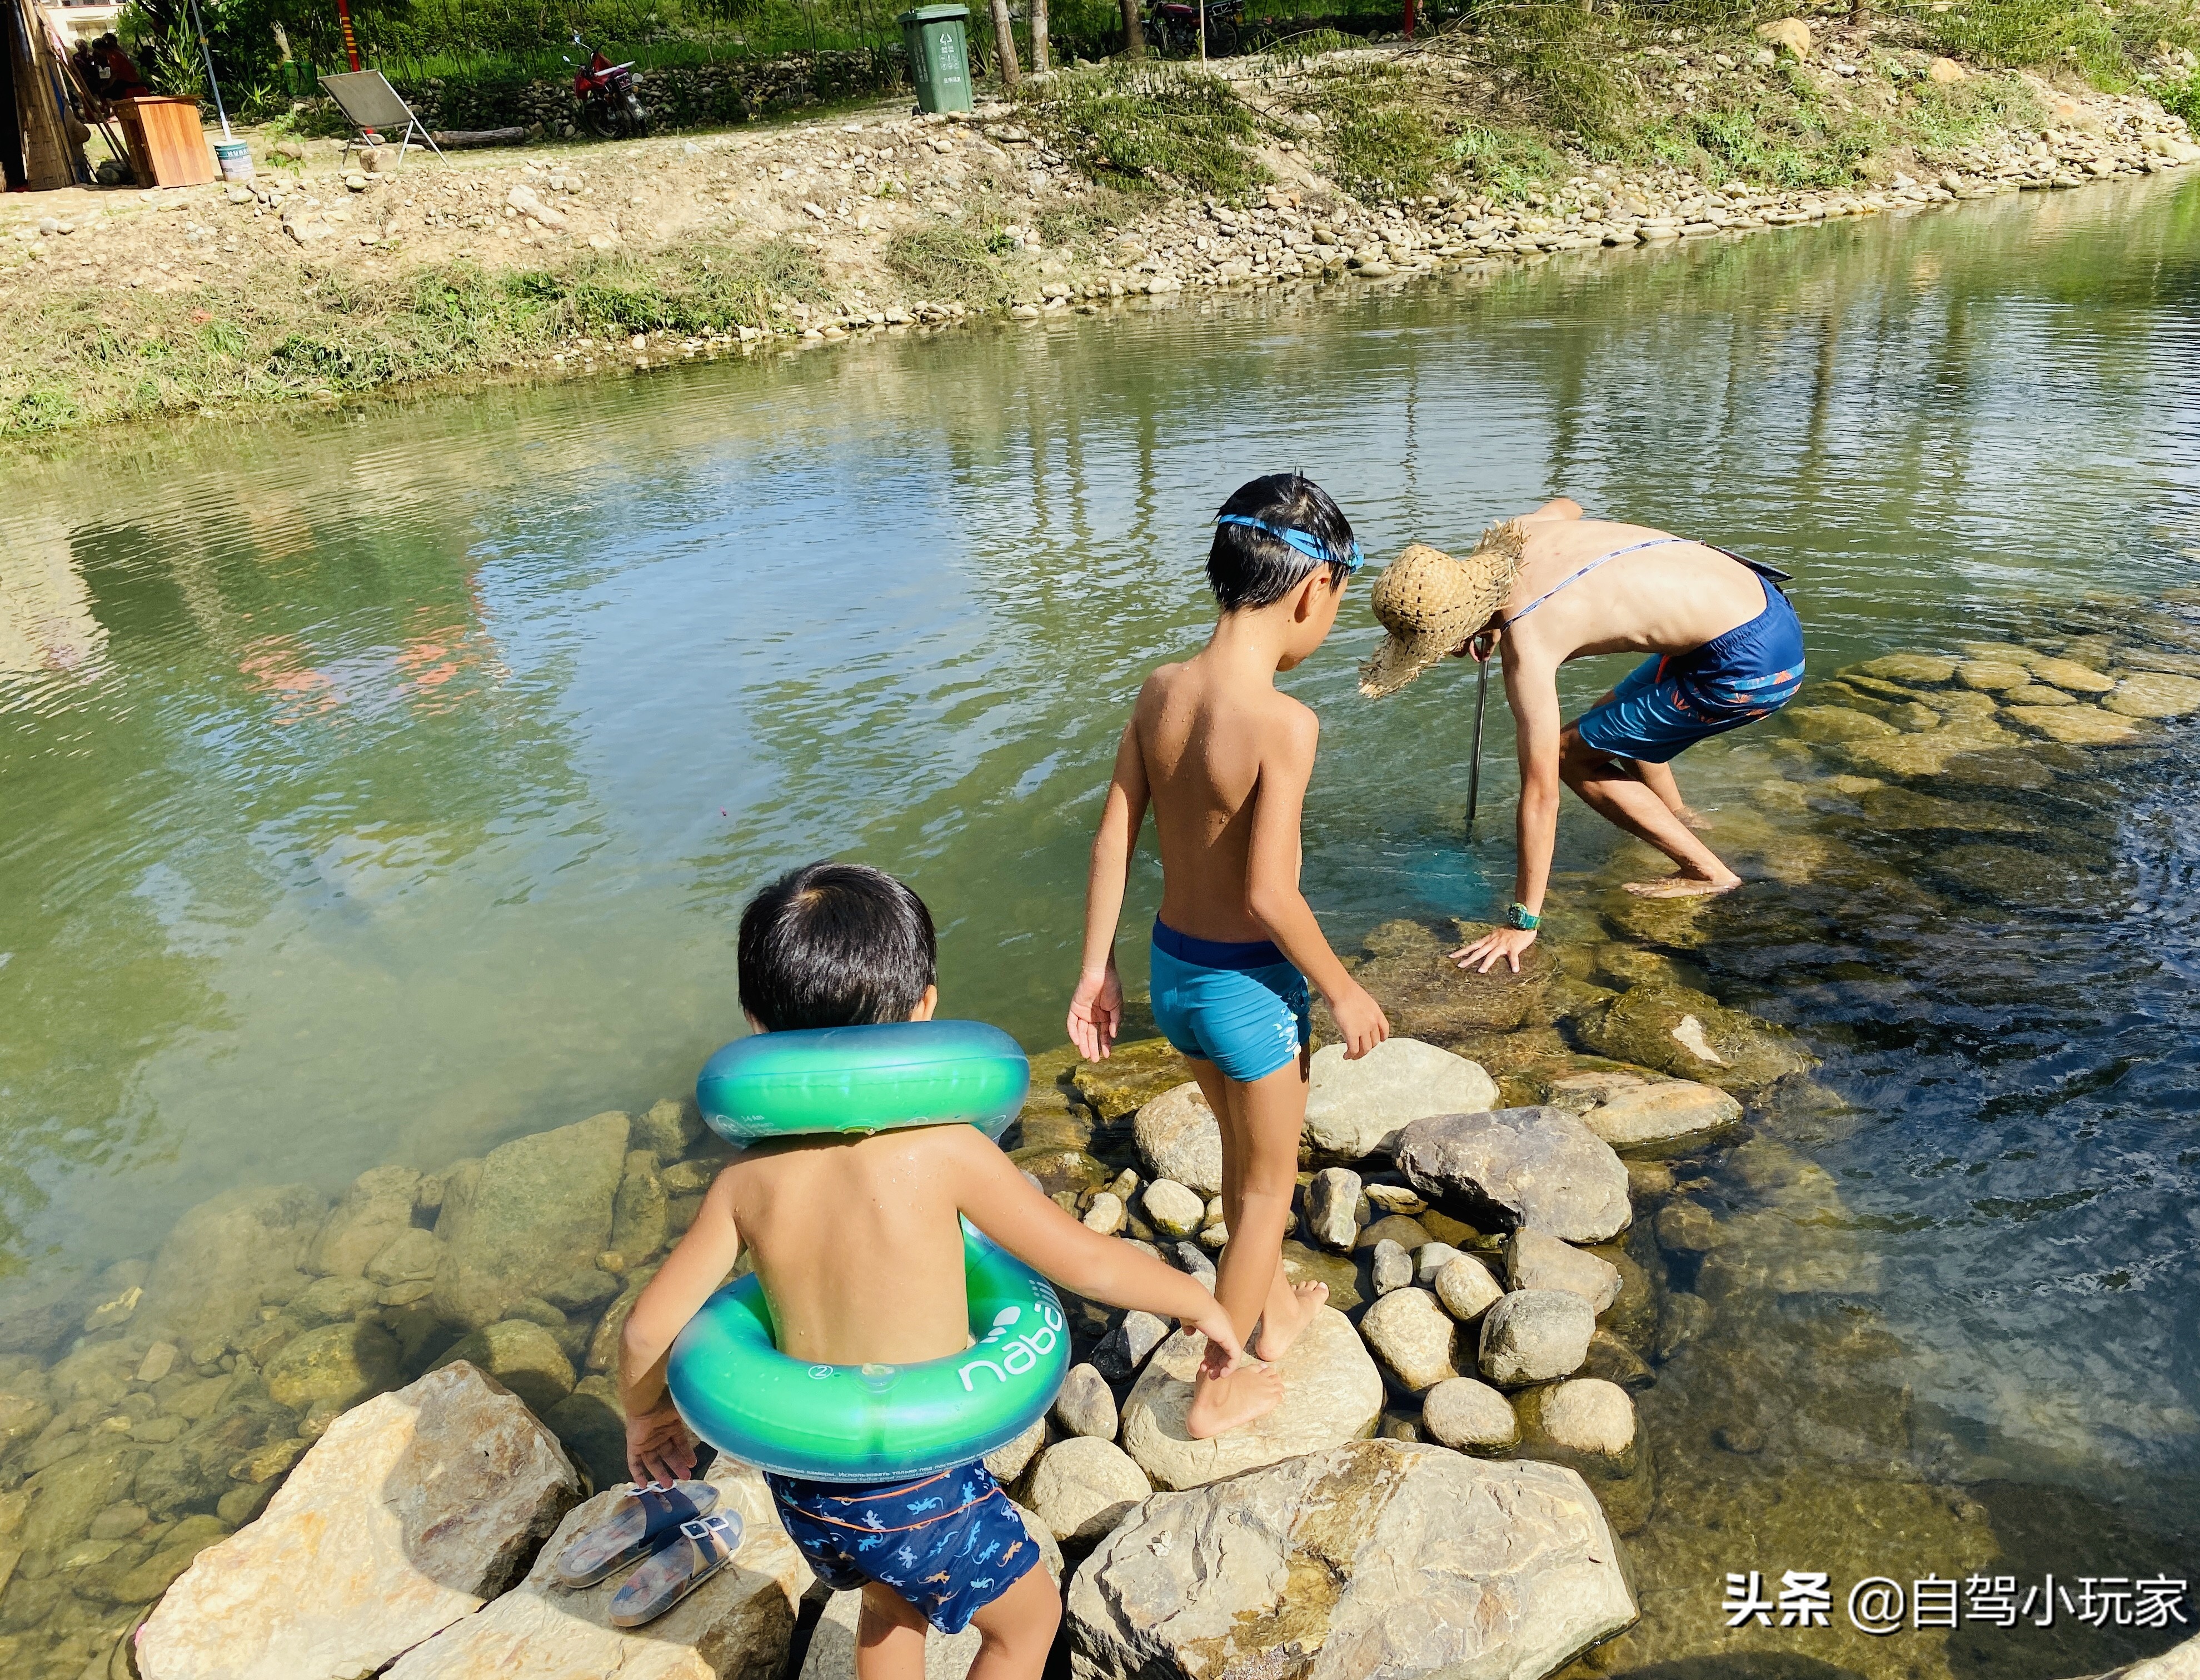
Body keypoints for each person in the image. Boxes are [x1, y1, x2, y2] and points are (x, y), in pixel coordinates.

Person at [621, 861, 1244, 1680]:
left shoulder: (745, 1183)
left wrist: (650, 1419)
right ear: (925, 1009)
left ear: (754, 1023)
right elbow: (1088, 1261)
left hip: (811, 1474)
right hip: (918, 1482)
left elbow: (645, 1328)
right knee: (1029, 1622)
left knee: (890, 1602)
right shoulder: (952, 1152)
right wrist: (1199, 1301)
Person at [1066, 472, 1392, 1441]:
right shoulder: (1284, 723)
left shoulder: (1159, 689)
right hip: (1252, 987)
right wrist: (1342, 988)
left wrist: (1097, 966)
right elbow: (1268, 893)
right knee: (1261, 1190)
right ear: (1310, 592)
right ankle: (1216, 1381)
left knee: (1253, 1161)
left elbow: (1113, 835)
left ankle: (1274, 1310)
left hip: (1173, 973)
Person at [1358, 499, 1805, 974]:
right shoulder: (1518, 534)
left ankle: (1708, 873)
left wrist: (1522, 921)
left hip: (1753, 669)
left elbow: (1540, 794)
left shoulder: (1528, 639)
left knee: (1569, 757)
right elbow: (1569, 506)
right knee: (1607, 721)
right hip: (1759, 605)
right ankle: (1679, 817)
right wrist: (1485, 619)